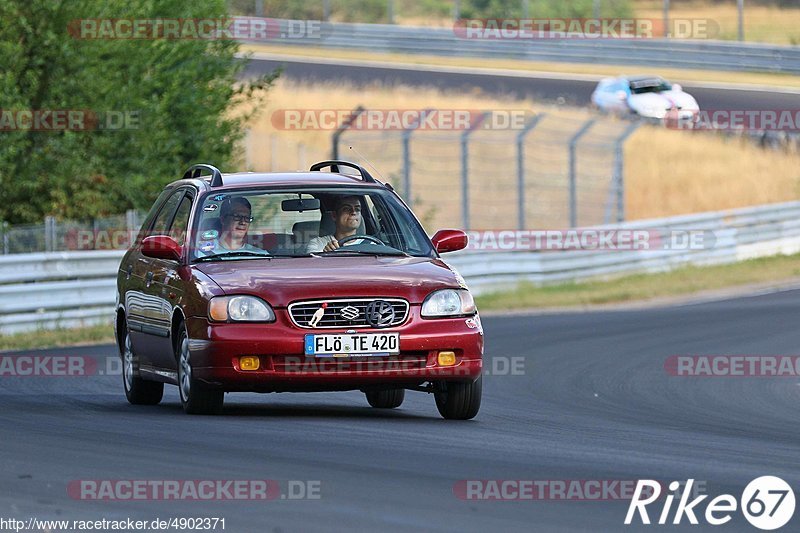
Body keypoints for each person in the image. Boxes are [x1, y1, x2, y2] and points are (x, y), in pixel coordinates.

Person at [200, 197, 264, 255]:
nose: (243, 222)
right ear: (223, 219)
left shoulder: (261, 256)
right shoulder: (202, 254)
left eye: (247, 218)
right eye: (237, 216)